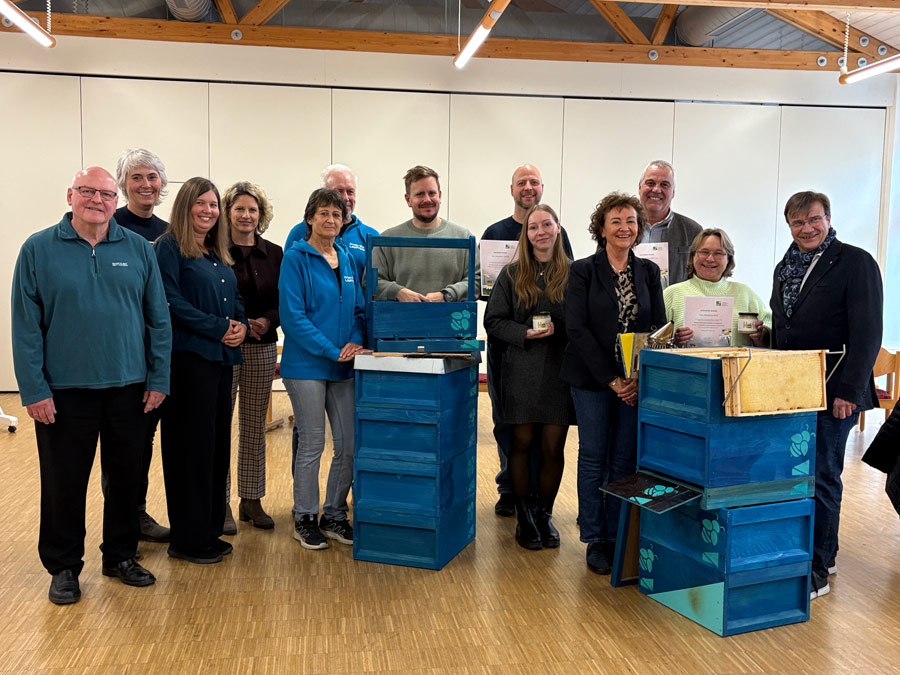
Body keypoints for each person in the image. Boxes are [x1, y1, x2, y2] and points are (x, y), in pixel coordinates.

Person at [11, 167, 170, 604]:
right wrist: (34, 389)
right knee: (64, 483)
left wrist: (159, 378)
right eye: (87, 191)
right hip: (63, 393)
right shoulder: (38, 249)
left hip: (130, 387)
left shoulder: (138, 249)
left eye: (105, 193)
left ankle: (120, 555)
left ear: (115, 202)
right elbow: (25, 326)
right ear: (70, 195)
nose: (97, 200)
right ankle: (63, 566)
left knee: (125, 479)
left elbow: (159, 320)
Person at [766, 191, 882, 600]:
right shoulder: (786, 266)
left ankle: (818, 564)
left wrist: (848, 391)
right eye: (798, 223)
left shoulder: (855, 262)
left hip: (836, 391)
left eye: (814, 220)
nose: (807, 229)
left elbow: (868, 333)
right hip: (793, 390)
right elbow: (785, 325)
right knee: (797, 475)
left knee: (822, 476)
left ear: (828, 219)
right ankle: (812, 552)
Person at [560, 192, 665, 576]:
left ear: (640, 229)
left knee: (625, 459)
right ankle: (594, 538)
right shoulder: (583, 270)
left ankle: (618, 531)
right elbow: (576, 328)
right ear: (601, 229)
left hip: (636, 382)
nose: (625, 228)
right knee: (593, 457)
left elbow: (656, 328)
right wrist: (612, 379)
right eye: (616, 221)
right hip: (593, 380)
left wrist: (637, 377)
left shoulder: (650, 272)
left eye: (632, 222)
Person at [155, 177, 248, 565]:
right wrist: (218, 327)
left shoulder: (216, 251)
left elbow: (234, 296)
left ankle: (209, 530)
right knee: (189, 451)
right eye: (201, 204)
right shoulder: (168, 248)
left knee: (214, 448)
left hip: (221, 361)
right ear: (185, 206)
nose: (209, 211)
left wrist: (240, 324)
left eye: (213, 205)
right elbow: (169, 301)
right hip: (189, 361)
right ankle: (187, 540)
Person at [482, 164, 574, 517]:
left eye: (546, 225)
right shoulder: (510, 274)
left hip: (558, 375)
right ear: (526, 234)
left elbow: (582, 323)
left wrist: (560, 330)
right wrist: (524, 333)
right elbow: (493, 321)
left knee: (553, 449)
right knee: (520, 444)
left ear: (557, 230)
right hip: (519, 372)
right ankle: (523, 517)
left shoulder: (574, 274)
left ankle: (544, 515)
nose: (540, 232)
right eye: (533, 227)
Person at [280, 188, 367, 550]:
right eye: (324, 213)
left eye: (337, 214)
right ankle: (304, 516)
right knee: (313, 442)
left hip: (343, 366)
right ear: (309, 219)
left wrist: (355, 341)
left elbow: (359, 310)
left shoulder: (347, 258)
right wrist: (332, 350)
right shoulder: (296, 258)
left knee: (348, 444)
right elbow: (292, 317)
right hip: (306, 366)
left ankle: (334, 514)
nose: (331, 220)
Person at [108, 148, 171, 544]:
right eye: (137, 178)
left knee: (147, 442)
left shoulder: (169, 232)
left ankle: (139, 514)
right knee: (126, 448)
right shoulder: (109, 226)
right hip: (128, 354)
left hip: (164, 350)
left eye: (152, 177)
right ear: (123, 184)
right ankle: (127, 519)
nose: (145, 185)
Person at [223, 181, 283, 533]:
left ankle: (251, 500)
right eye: (240, 209)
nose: (246, 215)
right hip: (225, 347)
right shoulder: (214, 250)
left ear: (261, 215)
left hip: (261, 346)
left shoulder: (274, 253)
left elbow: (284, 300)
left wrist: (265, 321)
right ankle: (221, 502)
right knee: (220, 426)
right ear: (228, 212)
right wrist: (237, 325)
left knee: (253, 427)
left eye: (253, 210)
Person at [374, 165, 480, 302]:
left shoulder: (463, 237)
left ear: (440, 195)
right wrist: (398, 292)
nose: (427, 199)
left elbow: (477, 281)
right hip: (400, 321)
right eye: (419, 194)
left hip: (450, 322)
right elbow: (370, 282)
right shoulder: (387, 240)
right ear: (408, 200)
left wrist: (447, 295)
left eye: (432, 193)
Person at [663, 228, 771, 348]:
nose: (710, 259)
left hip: (736, 366)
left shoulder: (745, 293)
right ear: (693, 256)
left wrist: (762, 335)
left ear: (728, 259)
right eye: (704, 252)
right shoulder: (671, 294)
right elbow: (654, 342)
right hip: (686, 366)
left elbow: (771, 328)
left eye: (718, 253)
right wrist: (674, 341)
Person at [284, 164, 378, 283]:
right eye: (338, 191)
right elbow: (288, 280)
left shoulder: (371, 236)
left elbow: (376, 283)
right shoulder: (298, 233)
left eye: (350, 192)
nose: (345, 198)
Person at [637, 160, 701, 287]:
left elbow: (700, 280)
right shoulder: (618, 228)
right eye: (650, 183)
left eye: (665, 185)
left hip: (673, 306)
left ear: (673, 193)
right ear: (639, 188)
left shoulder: (692, 231)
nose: (656, 189)